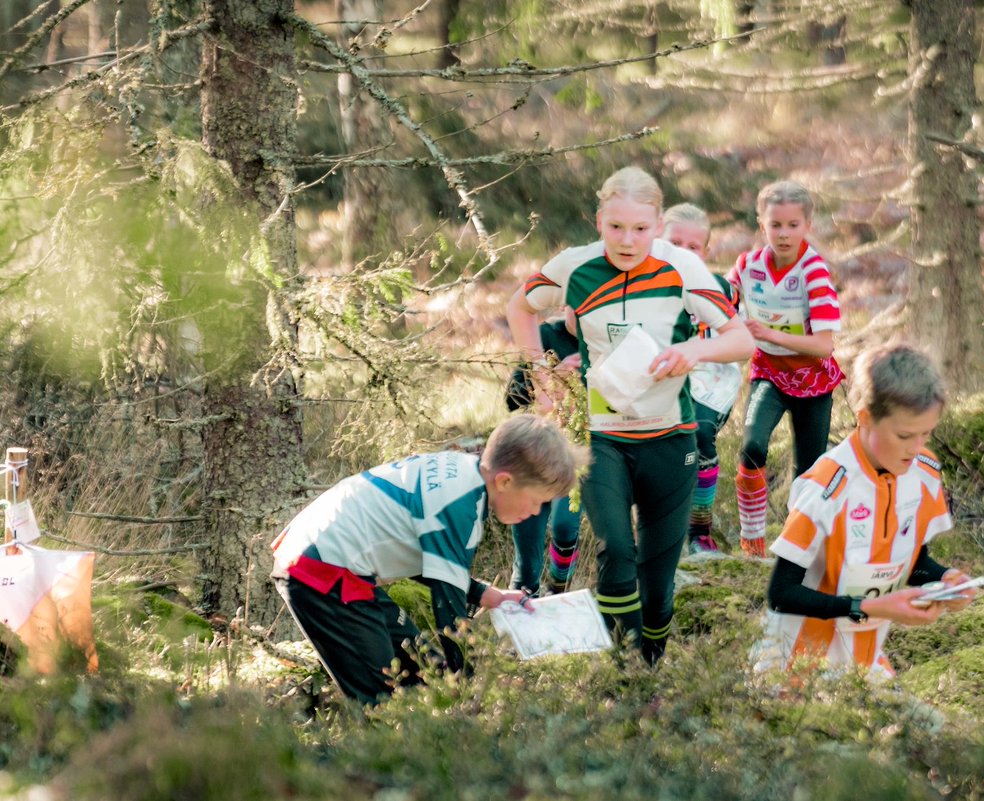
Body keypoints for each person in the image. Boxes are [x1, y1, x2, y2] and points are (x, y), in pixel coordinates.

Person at [506, 166, 753, 664]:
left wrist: (693, 351)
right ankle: (623, 670)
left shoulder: (682, 267)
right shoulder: (576, 266)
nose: (627, 239)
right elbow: (520, 307)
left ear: (658, 225)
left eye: (640, 228)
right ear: (599, 220)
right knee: (616, 552)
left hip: (671, 439)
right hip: (602, 438)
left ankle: (649, 668)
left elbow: (741, 340)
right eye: (616, 226)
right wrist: (541, 372)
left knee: (657, 584)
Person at [271, 414, 588, 705]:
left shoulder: (464, 475)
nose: (535, 512)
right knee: (385, 700)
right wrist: (472, 687)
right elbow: (449, 612)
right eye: (536, 501)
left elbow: (434, 566)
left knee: (422, 669)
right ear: (505, 481)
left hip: (334, 562)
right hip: (322, 571)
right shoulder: (461, 505)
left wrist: (488, 595)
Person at [749, 343, 978, 680]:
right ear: (865, 417)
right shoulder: (827, 484)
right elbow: (781, 593)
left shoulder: (924, 473)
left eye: (926, 434)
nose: (916, 448)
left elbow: (914, 561)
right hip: (798, 670)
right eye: (904, 435)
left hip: (865, 665)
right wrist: (865, 608)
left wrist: (945, 580)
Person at [728, 181, 845, 558]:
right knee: (752, 447)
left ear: (807, 225)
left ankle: (798, 548)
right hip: (769, 373)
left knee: (808, 472)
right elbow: (721, 302)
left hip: (814, 382)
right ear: (761, 224)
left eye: (793, 225)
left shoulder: (814, 272)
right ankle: (752, 542)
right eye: (775, 225)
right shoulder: (747, 265)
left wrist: (769, 333)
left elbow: (824, 346)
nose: (783, 234)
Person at [661, 202, 743, 555]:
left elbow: (739, 344)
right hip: (660, 375)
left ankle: (700, 531)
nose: (683, 253)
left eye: (693, 247)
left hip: (711, 378)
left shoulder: (720, 289)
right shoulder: (642, 286)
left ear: (706, 252)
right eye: (675, 243)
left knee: (700, 433)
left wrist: (699, 350)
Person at [504, 312, 584, 594]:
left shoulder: (602, 339)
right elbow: (513, 399)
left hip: (578, 449)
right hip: (538, 447)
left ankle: (558, 589)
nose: (582, 314)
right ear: (564, 303)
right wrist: (551, 377)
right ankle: (523, 594)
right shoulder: (545, 335)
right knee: (527, 552)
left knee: (564, 527)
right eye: (576, 306)